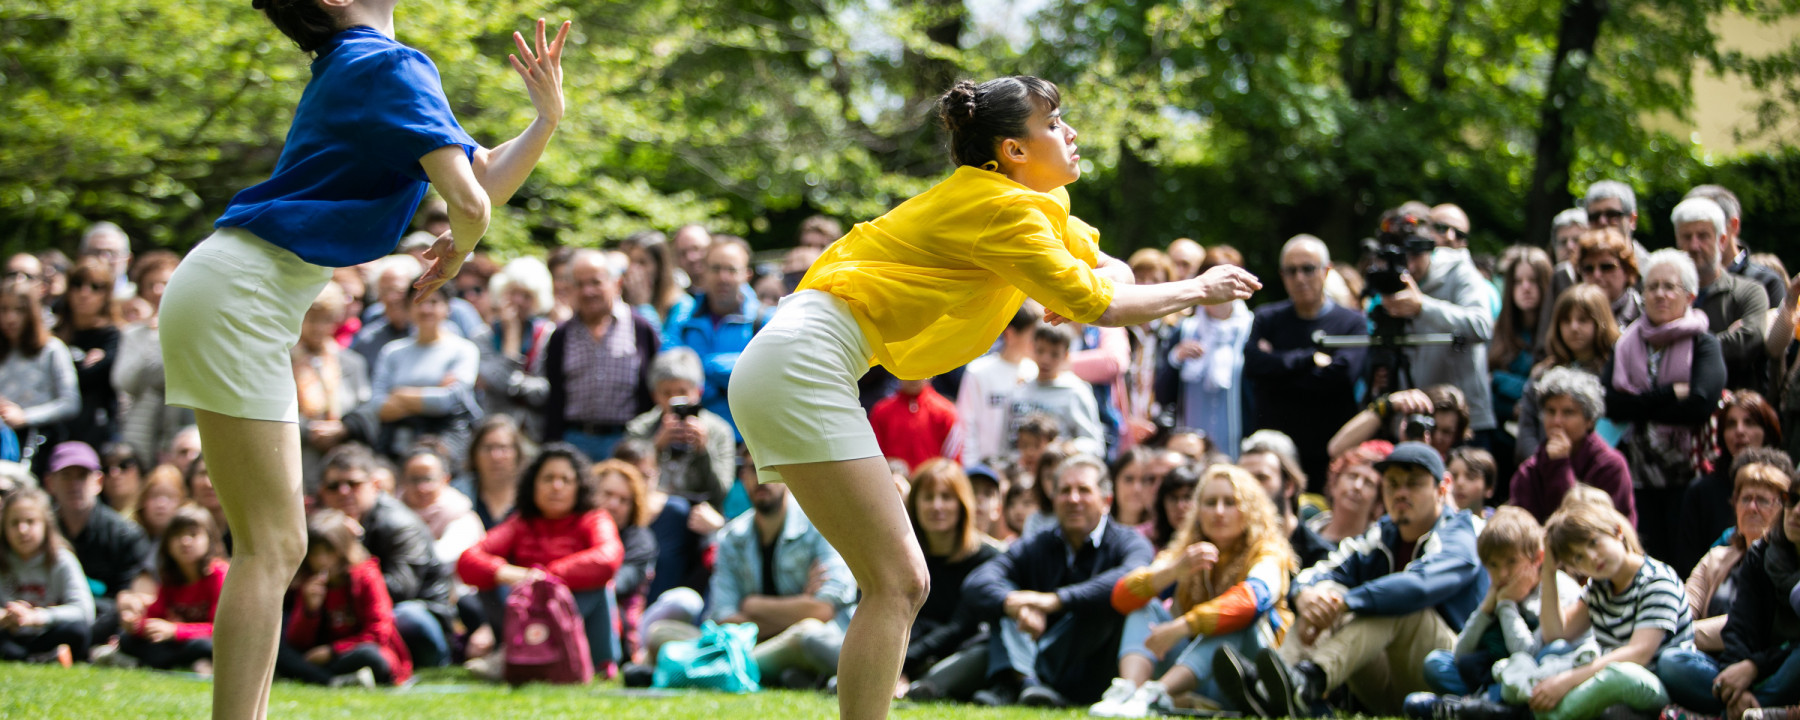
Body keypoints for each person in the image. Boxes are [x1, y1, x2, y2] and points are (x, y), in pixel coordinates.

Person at [726, 75, 1258, 720]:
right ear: (1013, 150)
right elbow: (1104, 302)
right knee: (899, 581)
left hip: (794, 360)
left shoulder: (1023, 204)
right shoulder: (1005, 210)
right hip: (802, 363)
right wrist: (1196, 288)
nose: (1072, 132)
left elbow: (1108, 273)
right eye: (1055, 121)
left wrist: (1082, 288)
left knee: (895, 582)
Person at [157, 4, 567, 714]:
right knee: (271, 545)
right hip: (239, 296)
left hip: (232, 291)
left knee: (270, 547)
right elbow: (468, 204)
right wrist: (461, 248)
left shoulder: (367, 64)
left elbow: (481, 178)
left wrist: (546, 120)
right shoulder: (386, 62)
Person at [1222, 442, 1487, 717]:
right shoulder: (1383, 534)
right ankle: (1280, 685)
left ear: (1442, 488)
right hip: (1388, 687)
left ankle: (1306, 682)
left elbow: (1419, 587)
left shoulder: (1464, 532)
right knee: (1325, 592)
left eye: (1414, 484)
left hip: (1450, 680)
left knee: (1395, 602)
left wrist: (1348, 602)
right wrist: (1306, 596)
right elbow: (1320, 572)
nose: (1401, 493)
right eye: (1393, 484)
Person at [1092, 465, 1296, 717]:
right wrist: (1175, 571)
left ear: (1250, 509)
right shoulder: (1188, 550)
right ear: (1198, 511)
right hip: (1198, 673)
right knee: (1144, 607)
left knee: (1236, 618)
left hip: (1251, 679)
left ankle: (1155, 695)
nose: (1219, 512)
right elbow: (1122, 597)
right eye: (1210, 502)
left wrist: (1182, 627)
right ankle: (1129, 692)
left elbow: (1251, 601)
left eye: (1230, 502)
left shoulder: (1268, 551)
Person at [639, 458, 858, 690]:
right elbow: (724, 617)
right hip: (752, 646)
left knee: (809, 633)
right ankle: (770, 672)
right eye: (752, 469)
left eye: (770, 467)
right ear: (742, 477)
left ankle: (715, 669)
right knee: (661, 633)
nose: (761, 478)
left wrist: (753, 605)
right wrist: (800, 606)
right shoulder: (732, 537)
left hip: (802, 640)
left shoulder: (821, 524)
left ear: (788, 474)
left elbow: (823, 609)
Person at [960, 455, 1158, 708]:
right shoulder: (1038, 544)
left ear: (1106, 501)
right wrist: (1014, 604)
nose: (1073, 499)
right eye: (1065, 491)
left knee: (1106, 602)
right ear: (1053, 501)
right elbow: (978, 581)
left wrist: (1055, 601)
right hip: (1035, 644)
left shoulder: (1128, 541)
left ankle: (1017, 683)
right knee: (1004, 597)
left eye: (1083, 490)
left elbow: (1133, 577)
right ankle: (1027, 684)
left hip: (1091, 668)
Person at [456, 444, 626, 678]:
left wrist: (545, 578)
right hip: (528, 618)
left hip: (581, 631)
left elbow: (607, 559)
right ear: (533, 485)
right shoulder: (521, 523)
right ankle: (518, 653)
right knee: (492, 581)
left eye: (566, 480)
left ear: (579, 487)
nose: (556, 487)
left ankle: (513, 658)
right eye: (548, 478)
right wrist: (516, 575)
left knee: (597, 584)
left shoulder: (594, 519)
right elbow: (468, 561)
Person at [1407, 507, 1584, 717]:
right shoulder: (1498, 591)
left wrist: (1506, 605)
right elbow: (1461, 654)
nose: (1503, 574)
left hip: (1539, 674)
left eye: (1512, 562)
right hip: (1495, 674)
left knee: (1557, 648)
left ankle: (1477, 706)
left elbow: (1528, 655)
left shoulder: (1556, 588)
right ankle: (1485, 705)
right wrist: (1486, 609)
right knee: (1436, 663)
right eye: (1493, 565)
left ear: (1538, 558)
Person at [1608, 250, 1727, 562]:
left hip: (1687, 478)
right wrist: (1671, 393)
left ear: (1690, 295)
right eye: (1652, 286)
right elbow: (1612, 405)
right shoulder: (1625, 343)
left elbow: (1699, 405)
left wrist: (1639, 406)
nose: (1660, 294)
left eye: (1669, 287)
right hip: (1635, 478)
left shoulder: (1704, 343)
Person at [1533, 502, 1692, 719]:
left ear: (1617, 532)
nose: (1591, 557)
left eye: (1594, 542)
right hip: (1612, 683)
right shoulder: (1599, 587)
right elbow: (1556, 633)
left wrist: (1567, 681)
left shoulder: (1656, 579)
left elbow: (1638, 654)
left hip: (1655, 684)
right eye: (1578, 557)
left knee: (1619, 676)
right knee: (1554, 653)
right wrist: (1548, 573)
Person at [315, 444, 454, 671]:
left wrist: (353, 550)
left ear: (375, 485)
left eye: (353, 484)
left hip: (417, 622)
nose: (343, 492)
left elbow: (400, 590)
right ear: (322, 492)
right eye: (334, 486)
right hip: (355, 621)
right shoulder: (322, 526)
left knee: (406, 616)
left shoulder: (400, 524)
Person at [1244, 235, 1368, 488]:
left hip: (1329, 453)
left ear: (1326, 270)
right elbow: (1255, 366)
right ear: (1282, 275)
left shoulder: (1352, 322)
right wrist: (1309, 359)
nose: (1299, 278)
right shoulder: (1267, 318)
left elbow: (1343, 377)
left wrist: (1278, 368)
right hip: (1275, 457)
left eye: (1308, 269)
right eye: (1291, 271)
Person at [895, 460, 1002, 700]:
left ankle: (914, 684)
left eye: (946, 497)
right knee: (813, 638)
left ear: (963, 505)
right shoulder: (903, 556)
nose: (937, 506)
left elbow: (959, 627)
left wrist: (902, 665)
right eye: (928, 497)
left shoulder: (987, 559)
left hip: (954, 654)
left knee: (983, 653)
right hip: (902, 651)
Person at [542, 250, 659, 462]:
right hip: (574, 439)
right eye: (579, 284)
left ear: (617, 283)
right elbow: (554, 396)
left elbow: (653, 388)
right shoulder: (561, 335)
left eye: (596, 282)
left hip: (626, 438)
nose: (588, 291)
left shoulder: (640, 328)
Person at [277, 509, 412, 688]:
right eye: (315, 553)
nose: (322, 560)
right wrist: (310, 610)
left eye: (328, 552)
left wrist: (332, 651)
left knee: (371, 657)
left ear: (342, 550)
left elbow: (378, 631)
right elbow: (298, 641)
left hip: (353, 651)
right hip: (320, 655)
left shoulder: (365, 576)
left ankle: (319, 678)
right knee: (278, 649)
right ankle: (333, 681)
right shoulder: (309, 582)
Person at [41, 441, 154, 648]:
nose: (74, 484)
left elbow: (130, 596)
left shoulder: (126, 535)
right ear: (50, 483)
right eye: (66, 476)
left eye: (82, 476)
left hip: (105, 623)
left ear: (98, 482)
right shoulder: (39, 532)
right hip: (49, 617)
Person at [1684, 449, 1790, 656]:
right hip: (1702, 658)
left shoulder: (1785, 563)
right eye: (1745, 499)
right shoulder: (1716, 557)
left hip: (1760, 664)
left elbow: (1746, 624)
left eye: (1762, 500)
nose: (1752, 507)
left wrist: (1681, 635)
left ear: (1783, 509)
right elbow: (1683, 609)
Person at [660, 238, 766, 434]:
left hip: (750, 439)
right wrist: (731, 374)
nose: (722, 277)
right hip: (693, 435)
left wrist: (707, 366)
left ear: (747, 275)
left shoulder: (764, 320)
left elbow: (766, 374)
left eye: (731, 270)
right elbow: (671, 373)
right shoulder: (683, 319)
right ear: (704, 271)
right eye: (715, 269)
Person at [1508, 367, 1634, 524]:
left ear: (1589, 420)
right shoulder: (1529, 471)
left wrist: (1559, 466)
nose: (1557, 421)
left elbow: (1578, 528)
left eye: (1568, 413)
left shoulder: (1610, 466)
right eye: (1550, 411)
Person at [1672, 197, 1769, 396]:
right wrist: (1724, 338)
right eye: (1687, 237)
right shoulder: (1663, 294)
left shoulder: (1749, 292)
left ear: (1722, 240)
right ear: (1677, 241)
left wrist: (1674, 348)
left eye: (1703, 236)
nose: (1694, 245)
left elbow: (1749, 342)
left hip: (1734, 413)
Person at [1515, 284, 1621, 462]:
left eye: (1583, 320)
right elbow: (1527, 428)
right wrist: (1541, 464)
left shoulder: (1615, 372)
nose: (1574, 327)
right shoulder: (1543, 373)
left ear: (1600, 322)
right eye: (1566, 320)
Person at [1681, 391, 1782, 575]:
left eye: (1750, 422)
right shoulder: (1701, 493)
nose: (1739, 431)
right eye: (1731, 424)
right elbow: (1689, 565)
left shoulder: (1788, 489)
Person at [118, 506, 228, 673]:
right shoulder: (170, 577)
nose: (185, 541)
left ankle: (183, 662)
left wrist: (175, 631)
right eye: (177, 535)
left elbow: (220, 629)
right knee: (126, 639)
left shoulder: (219, 575)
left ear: (210, 539)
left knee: (204, 645)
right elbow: (156, 617)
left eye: (193, 534)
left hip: (202, 640)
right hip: (177, 642)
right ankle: (189, 663)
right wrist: (135, 625)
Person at [623, 348, 735, 509]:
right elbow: (628, 484)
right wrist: (655, 447)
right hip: (650, 510)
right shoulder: (639, 428)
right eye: (667, 393)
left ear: (698, 391)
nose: (674, 400)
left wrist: (703, 450)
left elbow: (720, 493)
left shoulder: (719, 431)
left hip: (699, 515)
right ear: (655, 395)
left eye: (683, 392)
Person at [1171, 250, 1254, 458]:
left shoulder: (1252, 328)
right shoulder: (1185, 329)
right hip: (1192, 445)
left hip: (1238, 442)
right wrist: (1176, 357)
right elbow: (1164, 392)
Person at [0, 488, 94, 664]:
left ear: (46, 524)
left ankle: (36, 656)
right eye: (14, 523)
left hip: (46, 633)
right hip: (9, 634)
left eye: (30, 521)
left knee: (78, 631)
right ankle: (40, 659)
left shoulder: (62, 560)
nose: (22, 530)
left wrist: (39, 617)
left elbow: (85, 611)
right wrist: (6, 616)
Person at [114, 252, 190, 469]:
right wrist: (152, 337)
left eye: (165, 283)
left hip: (183, 429)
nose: (158, 291)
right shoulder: (134, 333)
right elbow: (125, 381)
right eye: (151, 285)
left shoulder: (192, 329)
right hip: (142, 433)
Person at [294, 283, 372, 494]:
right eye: (311, 318)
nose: (318, 327)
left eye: (326, 320)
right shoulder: (283, 362)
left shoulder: (351, 362)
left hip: (344, 468)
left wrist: (344, 428)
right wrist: (309, 430)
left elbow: (366, 409)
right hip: (300, 462)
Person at [0, 282, 80, 475]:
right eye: (4, 309)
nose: (11, 318)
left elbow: (70, 403)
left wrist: (25, 417)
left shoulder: (52, 349)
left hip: (40, 447)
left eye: (19, 310)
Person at [477, 256, 554, 441]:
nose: (518, 301)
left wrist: (513, 384)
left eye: (526, 296)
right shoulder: (483, 336)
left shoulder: (548, 334)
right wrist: (511, 337)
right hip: (494, 431)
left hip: (535, 432)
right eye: (513, 293)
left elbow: (546, 390)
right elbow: (495, 382)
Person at [956, 306, 1040, 466]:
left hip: (1023, 469)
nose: (1035, 343)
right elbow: (966, 423)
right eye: (1031, 336)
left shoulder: (1034, 371)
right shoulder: (978, 371)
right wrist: (972, 468)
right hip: (985, 468)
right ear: (1009, 334)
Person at [592, 459, 657, 664]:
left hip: (621, 629)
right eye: (608, 494)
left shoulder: (640, 539)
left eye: (623, 500)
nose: (614, 505)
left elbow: (619, 583)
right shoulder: (573, 529)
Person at [56, 258, 123, 450]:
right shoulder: (53, 334)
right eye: (77, 284)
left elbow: (95, 377)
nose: (84, 293)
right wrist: (83, 366)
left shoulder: (113, 335)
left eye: (95, 286)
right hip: (57, 429)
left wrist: (68, 367)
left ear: (107, 294)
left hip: (98, 431)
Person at [1489, 247, 1554, 440]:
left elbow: (1547, 390)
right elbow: (1485, 395)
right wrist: (1511, 408)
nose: (1526, 287)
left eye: (1533, 280)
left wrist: (1500, 380)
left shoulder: (1558, 333)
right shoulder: (1499, 331)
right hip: (1501, 436)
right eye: (1518, 281)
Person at [395, 447, 485, 566]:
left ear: (445, 480)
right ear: (403, 481)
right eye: (415, 479)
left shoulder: (462, 517)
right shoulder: (390, 513)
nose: (422, 488)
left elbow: (439, 558)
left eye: (428, 479)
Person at [453, 415, 532, 530]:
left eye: (503, 448)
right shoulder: (456, 494)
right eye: (488, 448)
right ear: (475, 454)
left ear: (517, 454)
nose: (495, 456)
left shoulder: (533, 497)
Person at [870, 376, 963, 473]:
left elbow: (952, 464)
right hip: (894, 482)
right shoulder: (881, 412)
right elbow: (875, 457)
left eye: (920, 370)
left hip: (932, 484)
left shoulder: (945, 411)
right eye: (908, 369)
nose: (914, 377)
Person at [1306, 440, 1389, 546]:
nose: (1357, 486)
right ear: (1334, 483)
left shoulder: (1376, 549)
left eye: (1369, 483)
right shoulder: (1306, 529)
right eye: (1352, 476)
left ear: (1378, 501)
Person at [1577, 227, 1643, 329]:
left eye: (1606, 267)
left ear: (1627, 270)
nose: (1597, 275)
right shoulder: (1573, 317)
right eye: (1588, 269)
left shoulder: (1644, 313)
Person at [132, 465, 186, 545]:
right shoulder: (131, 538)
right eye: (154, 495)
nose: (161, 504)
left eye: (169, 496)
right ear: (143, 500)